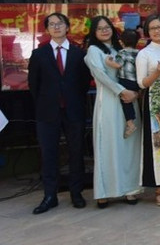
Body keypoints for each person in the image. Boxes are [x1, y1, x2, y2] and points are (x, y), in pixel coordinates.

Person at [28, 13, 91, 214]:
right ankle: (49, 196)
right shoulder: (39, 54)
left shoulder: (78, 54)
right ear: (47, 29)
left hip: (74, 110)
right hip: (47, 113)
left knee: (76, 152)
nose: (56, 27)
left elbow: (83, 83)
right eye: (52, 25)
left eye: (60, 23)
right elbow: (33, 85)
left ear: (67, 27)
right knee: (48, 154)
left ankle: (76, 193)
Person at [84, 16, 142, 208]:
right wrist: (121, 91)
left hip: (130, 99)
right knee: (109, 145)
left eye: (107, 27)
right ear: (94, 32)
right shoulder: (94, 50)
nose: (104, 31)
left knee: (130, 145)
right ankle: (104, 192)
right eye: (99, 28)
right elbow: (100, 75)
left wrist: (135, 92)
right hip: (109, 101)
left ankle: (130, 189)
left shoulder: (121, 49)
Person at [135, 13, 160, 206]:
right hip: (154, 104)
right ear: (147, 32)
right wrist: (157, 73)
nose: (157, 31)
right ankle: (159, 188)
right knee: (159, 145)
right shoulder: (144, 54)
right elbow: (142, 83)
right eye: (153, 28)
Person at [103, 29, 141, 138]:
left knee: (125, 101)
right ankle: (132, 120)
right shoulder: (139, 53)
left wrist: (108, 61)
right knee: (131, 101)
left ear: (121, 42)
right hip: (136, 81)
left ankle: (130, 123)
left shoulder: (122, 53)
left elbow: (118, 65)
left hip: (125, 80)